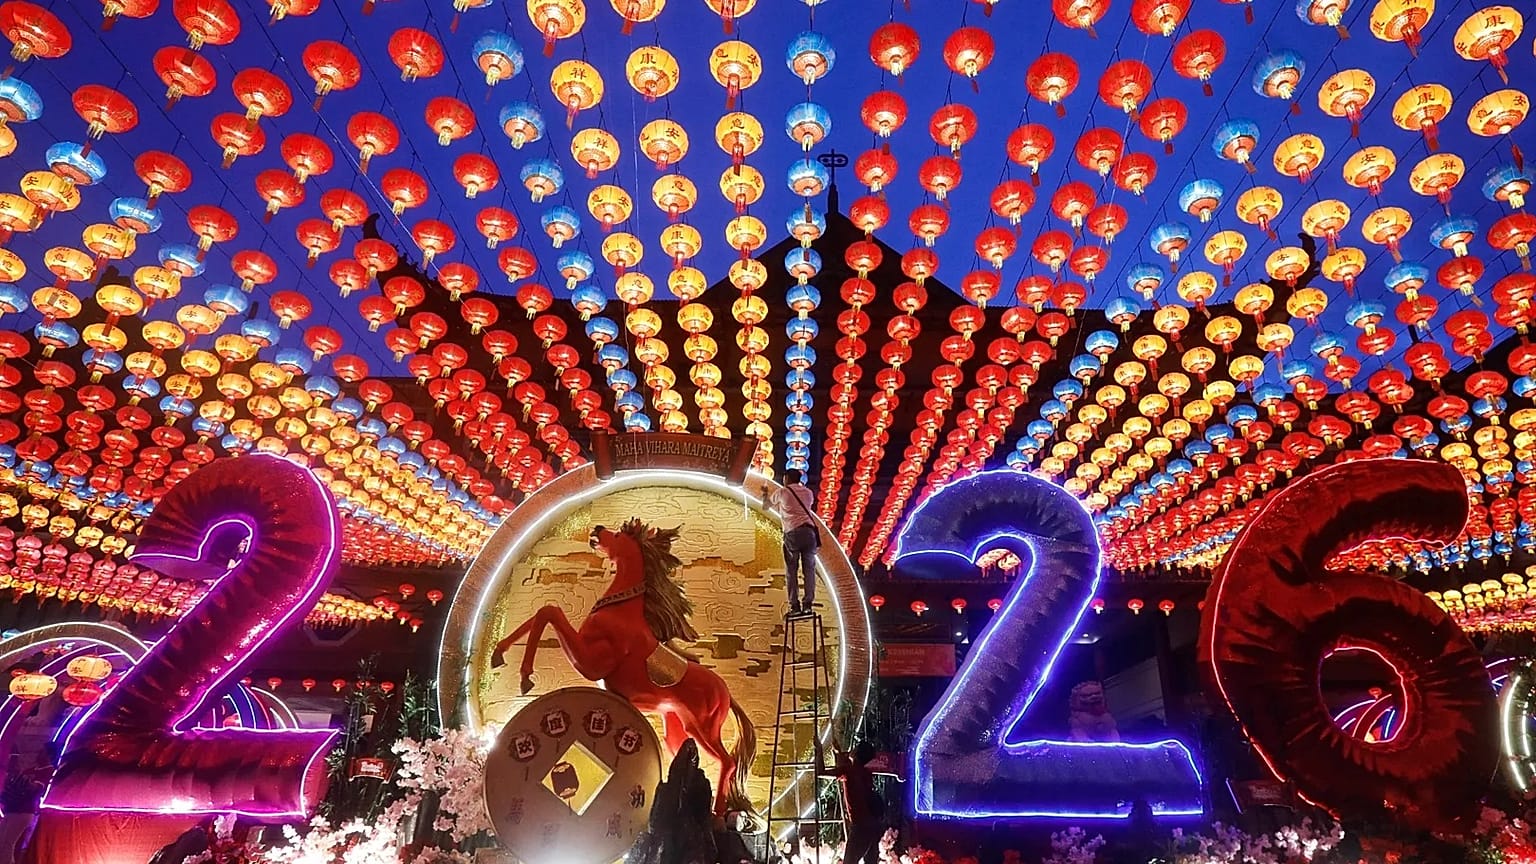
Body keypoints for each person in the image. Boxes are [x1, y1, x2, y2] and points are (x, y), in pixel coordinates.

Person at [821, 740, 883, 864]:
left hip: (860, 826)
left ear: (857, 753)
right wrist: (838, 753)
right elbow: (844, 769)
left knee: (850, 861)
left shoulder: (850, 770)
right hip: (871, 824)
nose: (851, 749)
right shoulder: (865, 773)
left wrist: (818, 751)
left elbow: (821, 773)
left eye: (855, 748)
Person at [769, 469, 819, 617]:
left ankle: (794, 606)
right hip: (810, 534)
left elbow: (766, 504)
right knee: (809, 570)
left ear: (787, 478)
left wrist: (765, 492)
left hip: (793, 533)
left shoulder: (783, 492)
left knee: (791, 570)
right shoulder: (808, 493)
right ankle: (808, 604)